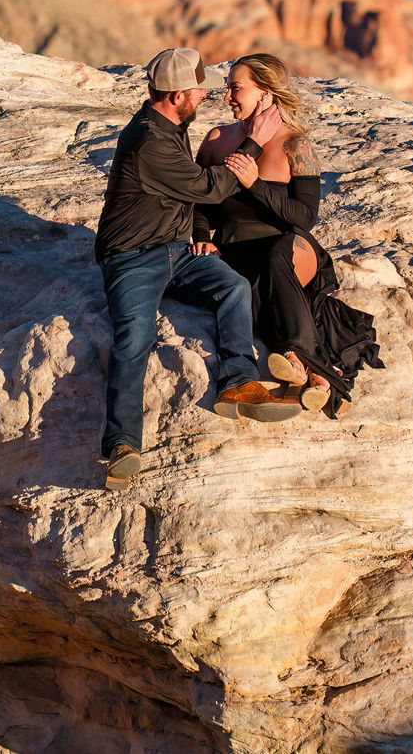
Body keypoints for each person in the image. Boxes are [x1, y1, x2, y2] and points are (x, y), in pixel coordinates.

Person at [94, 47, 305, 490]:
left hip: (176, 250)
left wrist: (198, 232)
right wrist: (252, 142)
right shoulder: (149, 139)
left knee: (234, 287)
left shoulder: (173, 124)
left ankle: (238, 382)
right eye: (198, 90)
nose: (207, 97)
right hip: (132, 257)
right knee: (134, 336)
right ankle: (122, 445)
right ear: (176, 96)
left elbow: (187, 197)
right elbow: (208, 187)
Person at [196, 53, 381, 418]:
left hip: (293, 249)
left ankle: (296, 355)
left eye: (236, 88)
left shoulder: (296, 144)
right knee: (249, 280)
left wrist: (255, 185)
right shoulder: (218, 139)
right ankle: (316, 378)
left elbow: (305, 217)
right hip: (238, 249)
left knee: (275, 253)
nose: (228, 95)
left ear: (265, 93)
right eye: (227, 87)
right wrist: (202, 234)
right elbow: (197, 203)